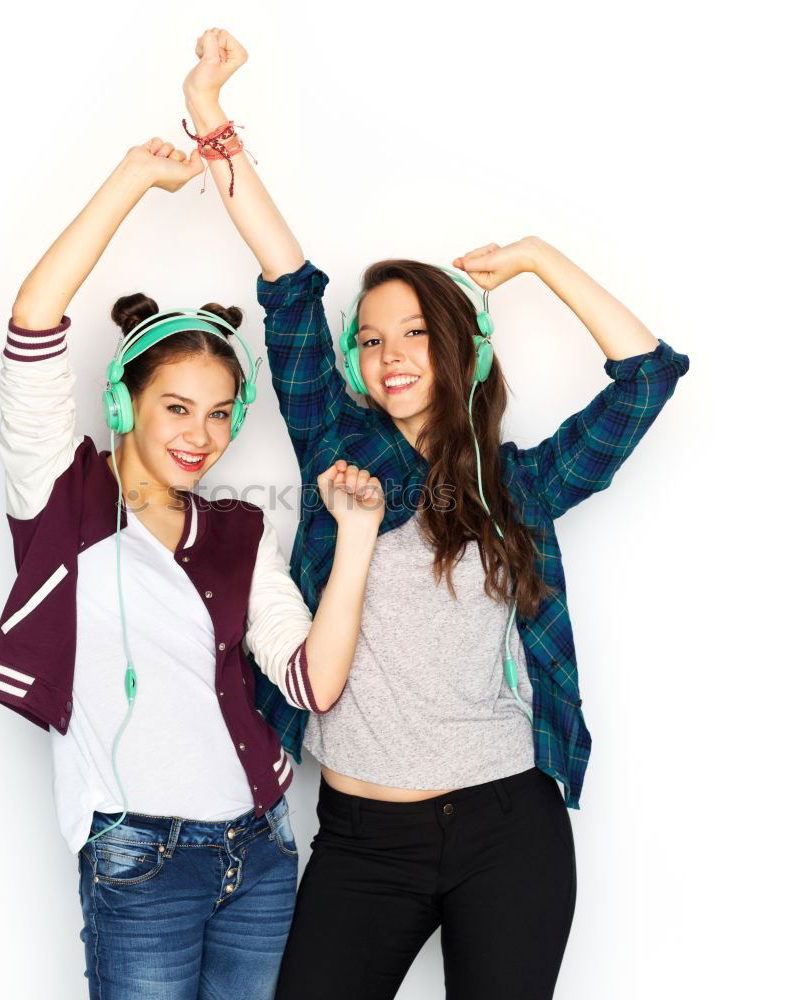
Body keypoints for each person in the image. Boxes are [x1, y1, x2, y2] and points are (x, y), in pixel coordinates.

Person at [179, 27, 691, 1000]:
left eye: (415, 331)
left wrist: (540, 257)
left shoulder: (516, 485)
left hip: (507, 826)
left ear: (464, 348)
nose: (390, 353)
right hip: (363, 837)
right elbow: (290, 290)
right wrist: (212, 123)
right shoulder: (334, 441)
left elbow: (644, 381)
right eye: (370, 339)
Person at [0, 131, 385, 1000]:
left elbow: (315, 682)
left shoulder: (240, 531)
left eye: (221, 415)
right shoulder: (63, 499)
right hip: (136, 858)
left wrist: (354, 536)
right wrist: (130, 178)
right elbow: (34, 320)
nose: (200, 434)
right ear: (121, 401)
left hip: (260, 851)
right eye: (176, 407)